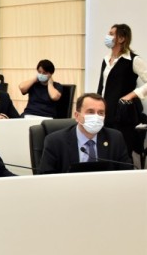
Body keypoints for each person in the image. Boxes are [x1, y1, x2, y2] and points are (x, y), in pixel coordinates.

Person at [38, 93, 132, 174]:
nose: (96, 117)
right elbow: (45, 176)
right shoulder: (55, 141)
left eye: (100, 113)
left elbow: (127, 173)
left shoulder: (115, 138)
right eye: (90, 112)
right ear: (77, 116)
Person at [96, 23, 147, 155]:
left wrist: (132, 95)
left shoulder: (133, 60)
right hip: (105, 112)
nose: (107, 36)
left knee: (121, 151)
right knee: (105, 150)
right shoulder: (106, 59)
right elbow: (102, 86)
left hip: (123, 114)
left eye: (111, 34)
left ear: (121, 38)